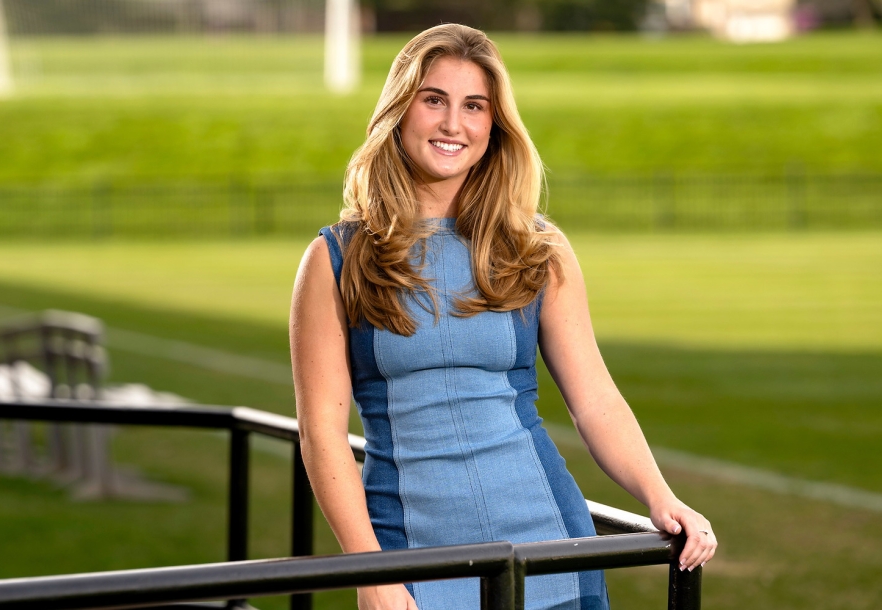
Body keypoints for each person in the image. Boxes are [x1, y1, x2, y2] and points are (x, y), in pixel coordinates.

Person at [288, 23, 716, 610]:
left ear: (493, 126)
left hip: (548, 546)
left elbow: (595, 400)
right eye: (433, 99)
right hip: (413, 555)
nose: (451, 124)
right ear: (399, 109)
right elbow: (322, 434)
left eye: (474, 106)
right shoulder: (335, 257)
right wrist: (374, 576)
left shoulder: (536, 247)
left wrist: (661, 496)